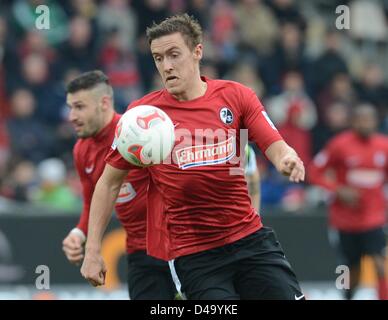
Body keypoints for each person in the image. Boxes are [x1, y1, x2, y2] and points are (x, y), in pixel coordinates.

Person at [81, 14, 305, 300]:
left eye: (174, 55)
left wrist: (286, 158)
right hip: (195, 256)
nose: (167, 66)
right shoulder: (143, 118)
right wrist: (92, 251)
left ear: (198, 51)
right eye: (158, 58)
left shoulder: (235, 97)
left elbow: (272, 143)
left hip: (251, 240)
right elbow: (109, 183)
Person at [62, 70, 176, 300]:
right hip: (139, 254)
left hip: (176, 247)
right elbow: (91, 201)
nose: (72, 116)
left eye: (80, 107)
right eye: (70, 107)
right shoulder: (81, 150)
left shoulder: (140, 134)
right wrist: (79, 233)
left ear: (104, 103)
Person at [308, 104, 388, 300]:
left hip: (373, 218)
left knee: (379, 262)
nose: (365, 124)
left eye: (369, 119)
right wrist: (338, 189)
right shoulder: (339, 144)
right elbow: (314, 171)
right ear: (353, 122)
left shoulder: (384, 146)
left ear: (376, 122)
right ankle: (346, 296)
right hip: (344, 220)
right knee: (348, 267)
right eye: (361, 119)